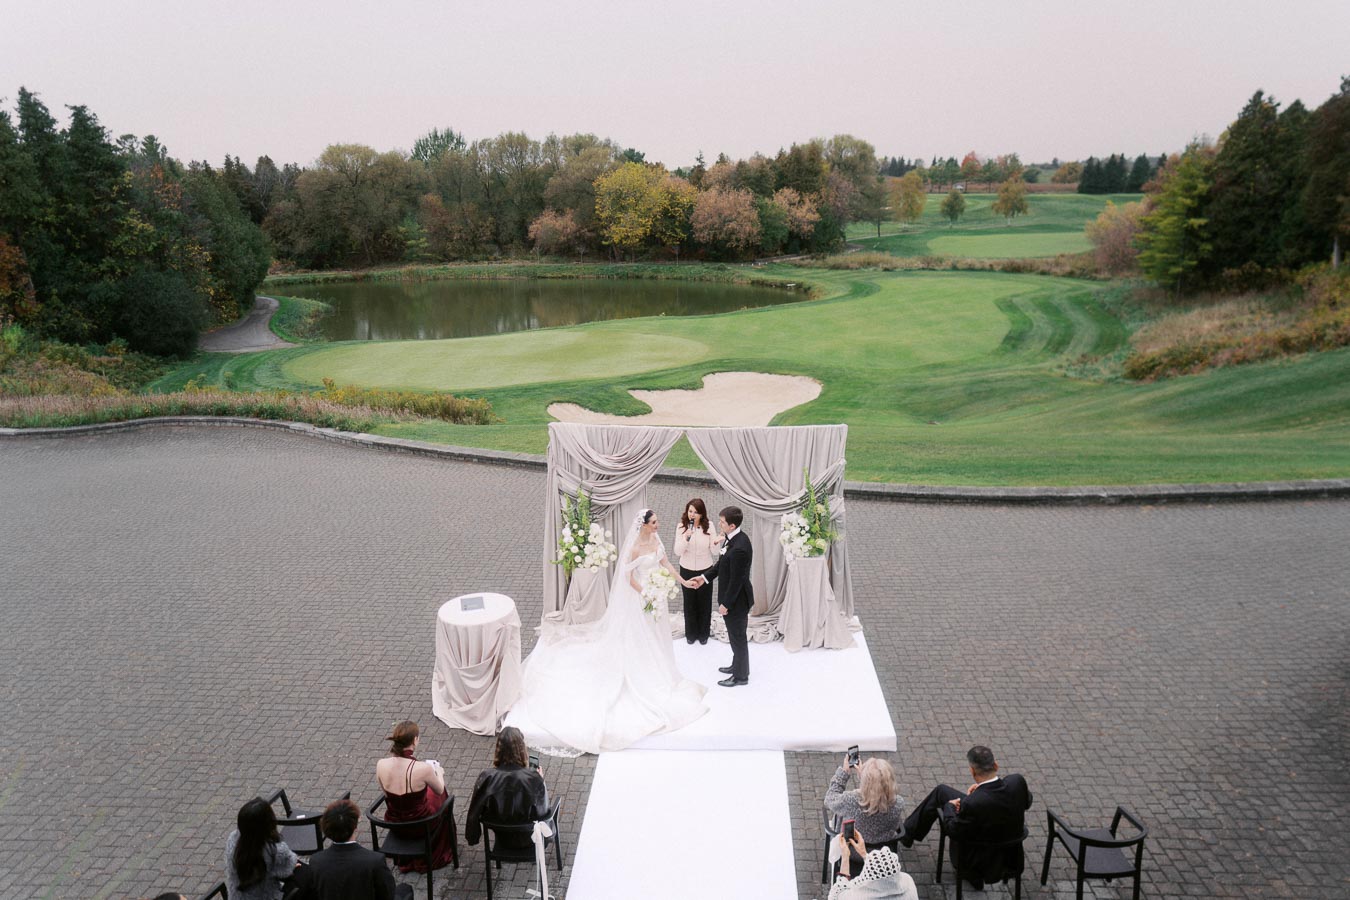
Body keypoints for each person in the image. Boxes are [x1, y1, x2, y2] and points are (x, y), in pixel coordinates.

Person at [519, 508, 709, 753]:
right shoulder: (634, 549)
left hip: (656, 598)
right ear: (643, 525)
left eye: (657, 522)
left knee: (657, 636)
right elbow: (629, 579)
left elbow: (666, 563)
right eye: (654, 523)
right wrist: (647, 594)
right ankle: (640, 670)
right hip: (643, 599)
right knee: (641, 638)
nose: (657, 525)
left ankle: (658, 667)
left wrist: (683, 582)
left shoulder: (656, 540)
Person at [900, 745, 1033, 890]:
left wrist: (950, 807)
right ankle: (907, 832)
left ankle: (906, 834)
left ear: (972, 771)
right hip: (1010, 853)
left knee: (945, 800)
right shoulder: (1017, 782)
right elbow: (1026, 801)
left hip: (978, 857)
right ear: (996, 765)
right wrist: (981, 789)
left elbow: (953, 829)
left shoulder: (972, 803)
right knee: (941, 791)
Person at [375, 720, 455, 872]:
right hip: (421, 824)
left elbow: (386, 796)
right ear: (415, 740)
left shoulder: (381, 764)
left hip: (395, 822)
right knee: (440, 794)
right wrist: (439, 773)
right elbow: (439, 789)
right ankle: (440, 846)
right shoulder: (423, 769)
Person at [289, 798, 403, 900]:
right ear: (355, 827)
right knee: (405, 890)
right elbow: (387, 894)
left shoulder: (316, 861)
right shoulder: (375, 861)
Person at [691, 506, 753, 687]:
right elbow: (720, 566)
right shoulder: (732, 539)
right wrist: (704, 578)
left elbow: (737, 581)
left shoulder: (740, 547)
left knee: (738, 638)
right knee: (735, 637)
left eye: (723, 522)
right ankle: (737, 666)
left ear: (732, 526)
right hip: (733, 599)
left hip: (737, 602)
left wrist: (726, 604)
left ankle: (741, 677)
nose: (719, 524)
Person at [465, 726, 550, 851]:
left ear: (498, 750)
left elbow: (474, 812)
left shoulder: (487, 777)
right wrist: (541, 782)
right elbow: (543, 813)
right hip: (530, 838)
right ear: (522, 749)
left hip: (502, 838)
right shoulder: (533, 778)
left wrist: (473, 838)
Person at [224, 797, 301, 900]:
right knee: (306, 876)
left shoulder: (232, 839)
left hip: (237, 896)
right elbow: (288, 868)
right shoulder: (275, 851)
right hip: (265, 896)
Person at [825, 756, 906, 847]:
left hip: (851, 853)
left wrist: (844, 773)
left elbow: (830, 798)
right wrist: (864, 777)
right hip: (881, 853)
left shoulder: (851, 801)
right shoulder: (898, 803)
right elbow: (878, 790)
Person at [674, 498, 723, 644]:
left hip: (705, 569)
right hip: (687, 569)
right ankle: (691, 633)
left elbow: (715, 552)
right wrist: (686, 539)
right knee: (689, 602)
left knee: (704, 602)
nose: (692, 515)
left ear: (702, 514)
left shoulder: (710, 527)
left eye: (696, 512)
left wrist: (716, 543)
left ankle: (703, 634)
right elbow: (677, 551)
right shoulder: (681, 528)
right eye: (690, 511)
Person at [828, 831, 919, 900]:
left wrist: (845, 856)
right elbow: (881, 872)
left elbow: (836, 894)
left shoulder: (855, 896)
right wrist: (864, 854)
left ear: (868, 877)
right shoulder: (908, 884)